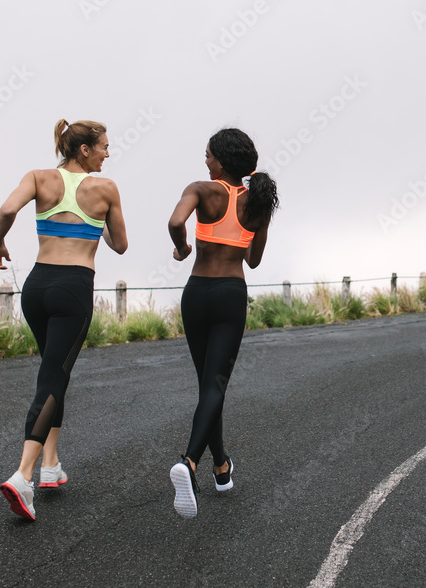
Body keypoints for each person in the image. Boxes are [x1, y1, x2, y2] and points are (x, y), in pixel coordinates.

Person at [0, 119, 128, 520]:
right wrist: (92, 221)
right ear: (84, 149)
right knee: (53, 379)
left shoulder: (38, 177)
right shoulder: (106, 189)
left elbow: (7, 209)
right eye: (103, 146)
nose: (107, 152)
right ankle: (23, 475)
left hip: (36, 288)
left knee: (54, 373)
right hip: (73, 289)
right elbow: (120, 245)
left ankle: (51, 465)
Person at [166, 128, 279, 518]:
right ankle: (190, 463)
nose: (206, 160)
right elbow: (254, 260)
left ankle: (221, 468)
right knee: (214, 384)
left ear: (223, 159)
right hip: (230, 294)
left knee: (207, 385)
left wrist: (183, 248)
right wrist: (244, 229)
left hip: (196, 293)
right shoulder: (258, 202)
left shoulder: (200, 189)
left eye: (209, 154)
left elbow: (175, 221)